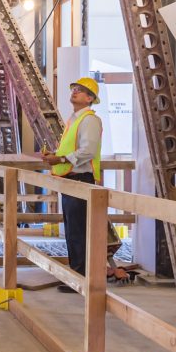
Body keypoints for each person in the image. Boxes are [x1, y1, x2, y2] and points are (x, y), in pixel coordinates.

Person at [50, 75, 105, 277]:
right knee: (73, 231)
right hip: (71, 181)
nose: (74, 91)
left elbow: (88, 151)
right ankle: (77, 275)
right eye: (74, 88)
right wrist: (55, 157)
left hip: (80, 181)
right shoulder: (74, 120)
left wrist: (62, 160)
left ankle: (81, 277)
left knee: (78, 232)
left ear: (90, 98)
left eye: (80, 90)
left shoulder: (89, 120)